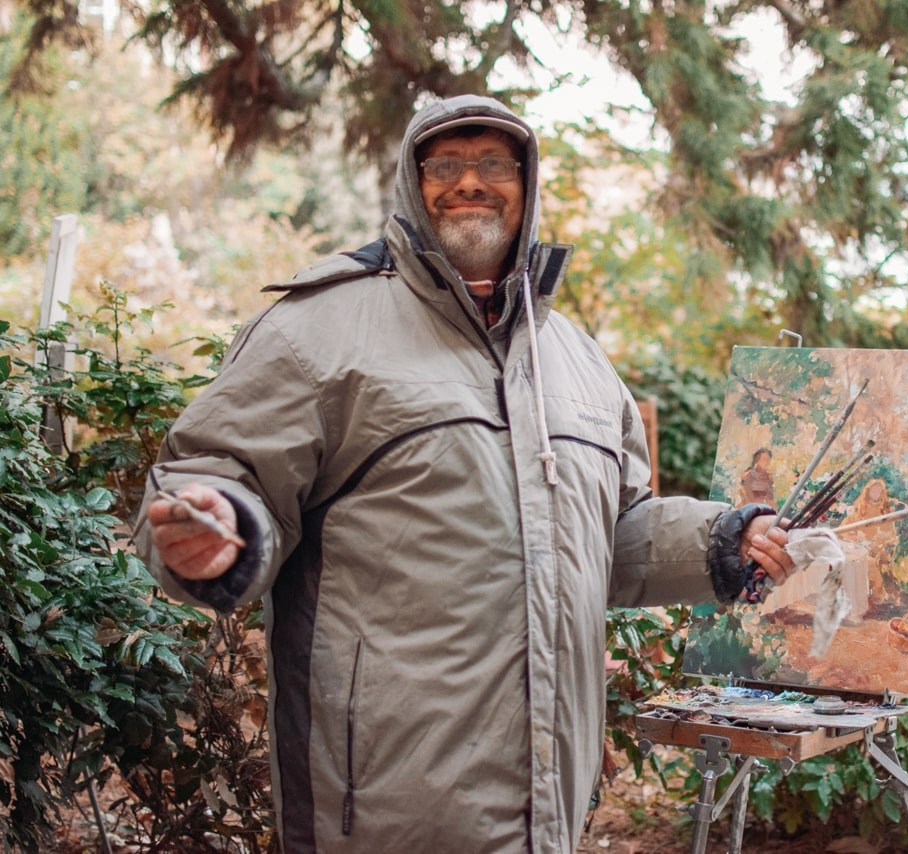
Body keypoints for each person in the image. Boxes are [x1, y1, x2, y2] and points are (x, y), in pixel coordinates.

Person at [135, 94, 796, 853]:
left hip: (545, 808)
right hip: (381, 812)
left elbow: (608, 538)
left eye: (492, 164)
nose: (468, 182)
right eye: (443, 164)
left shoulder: (576, 361)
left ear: (528, 184)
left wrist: (723, 538)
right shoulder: (315, 331)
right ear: (411, 186)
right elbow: (220, 472)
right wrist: (220, 530)